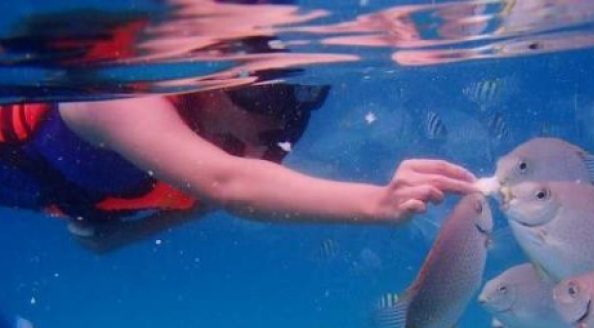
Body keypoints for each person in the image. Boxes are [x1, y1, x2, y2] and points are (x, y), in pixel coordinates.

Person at [0, 82, 477, 252]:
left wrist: (119, 237)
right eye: (261, 95)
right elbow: (226, 185)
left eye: (288, 110)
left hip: (55, 196)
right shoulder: (114, 100)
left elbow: (202, 200)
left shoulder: (248, 142)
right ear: (209, 83)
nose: (268, 124)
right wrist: (378, 202)